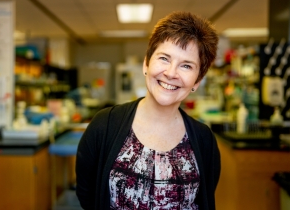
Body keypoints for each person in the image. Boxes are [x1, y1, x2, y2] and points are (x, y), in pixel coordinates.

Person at [76, 11, 221, 210]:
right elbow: (87, 195)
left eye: (186, 65)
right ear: (146, 63)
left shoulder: (204, 140)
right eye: (164, 58)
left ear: (197, 80)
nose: (171, 73)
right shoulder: (105, 125)